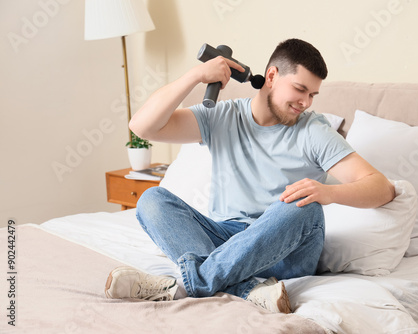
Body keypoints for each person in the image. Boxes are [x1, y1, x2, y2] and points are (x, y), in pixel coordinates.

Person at [104, 38, 395, 313]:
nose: (306, 102)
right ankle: (246, 288)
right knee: (152, 199)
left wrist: (327, 192)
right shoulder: (221, 116)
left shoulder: (313, 130)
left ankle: (186, 285)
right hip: (226, 240)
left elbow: (380, 188)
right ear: (271, 76)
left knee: (302, 207)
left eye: (312, 94)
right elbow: (143, 127)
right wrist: (195, 76)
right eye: (299, 89)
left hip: (286, 253)